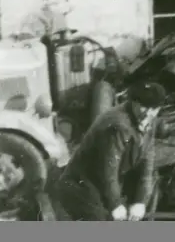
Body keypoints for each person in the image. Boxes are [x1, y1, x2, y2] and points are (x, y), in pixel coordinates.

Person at [49, 81, 166, 221]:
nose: (148, 113)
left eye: (154, 108)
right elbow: (108, 170)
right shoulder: (118, 126)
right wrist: (115, 205)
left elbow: (147, 162)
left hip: (105, 183)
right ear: (133, 102)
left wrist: (140, 202)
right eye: (143, 106)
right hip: (83, 186)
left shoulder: (148, 120)